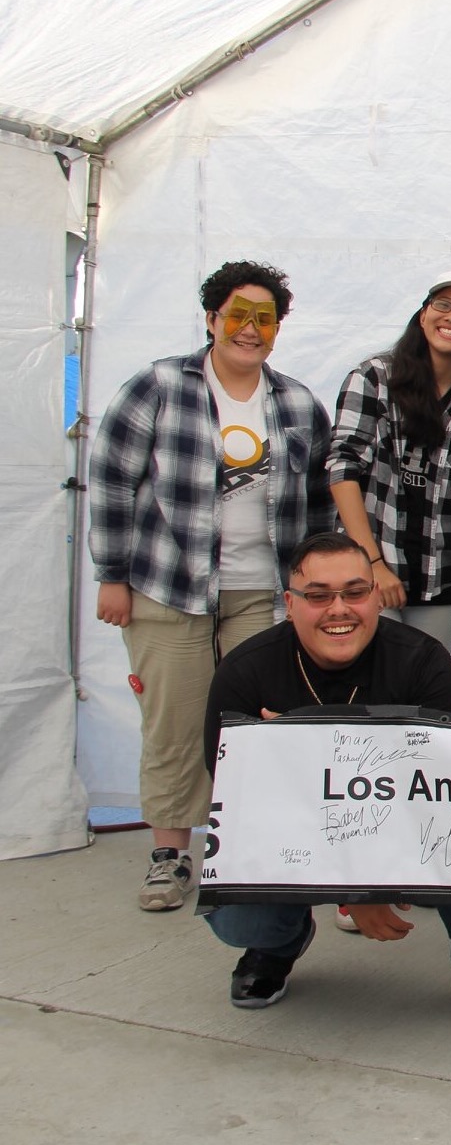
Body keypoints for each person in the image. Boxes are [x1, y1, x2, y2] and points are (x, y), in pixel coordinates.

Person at [200, 533, 451, 1035]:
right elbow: (237, 802)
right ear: (290, 604)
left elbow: (441, 793)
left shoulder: (422, 661)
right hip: (288, 833)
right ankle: (277, 944)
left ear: (375, 596)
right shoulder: (244, 672)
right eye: (318, 595)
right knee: (239, 913)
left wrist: (298, 757)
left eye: (354, 592)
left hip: (409, 824)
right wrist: (355, 890)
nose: (338, 609)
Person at [89, 259, 331, 912]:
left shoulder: (298, 403)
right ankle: (170, 857)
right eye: (237, 315)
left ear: (277, 328)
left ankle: (250, 849)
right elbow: (112, 480)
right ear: (211, 319)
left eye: (265, 319)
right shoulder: (159, 386)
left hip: (262, 592)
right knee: (174, 724)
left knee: (257, 724)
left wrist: (313, 590)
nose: (250, 330)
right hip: (169, 589)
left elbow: (318, 506)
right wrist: (112, 576)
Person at [328, 271, 451, 653]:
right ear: (423, 315)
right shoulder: (374, 377)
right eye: (443, 305)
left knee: (424, 682)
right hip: (370, 572)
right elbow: (342, 468)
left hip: (441, 579)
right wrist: (371, 563)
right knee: (371, 682)